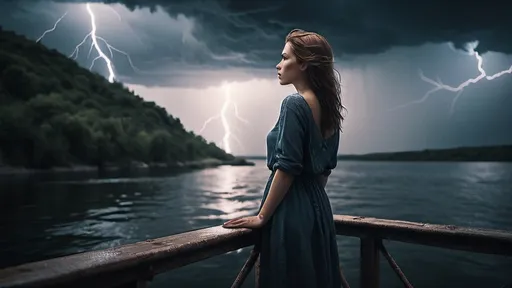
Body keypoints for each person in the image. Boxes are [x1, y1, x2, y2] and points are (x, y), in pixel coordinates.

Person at [223, 28, 346, 288]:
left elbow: (287, 168)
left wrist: (262, 217)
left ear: (303, 64)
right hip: (319, 211)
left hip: (291, 211)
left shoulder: (295, 104)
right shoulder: (331, 110)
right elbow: (324, 171)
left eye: (285, 58)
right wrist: (310, 206)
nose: (278, 65)